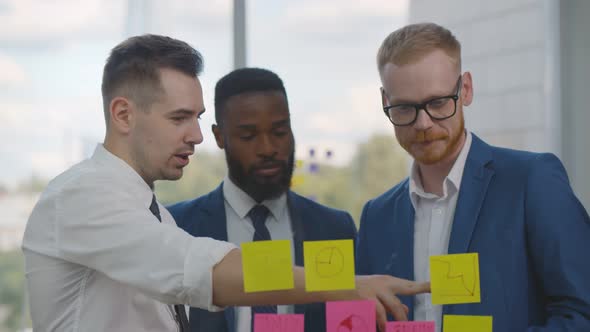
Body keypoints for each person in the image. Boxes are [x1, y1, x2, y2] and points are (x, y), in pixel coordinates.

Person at [22, 34, 428, 332]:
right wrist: (343, 284)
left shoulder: (153, 213)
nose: (197, 136)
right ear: (124, 115)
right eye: (178, 118)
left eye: (197, 118)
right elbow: (203, 271)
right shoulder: (81, 197)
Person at [355, 22, 590, 332]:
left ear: (465, 89)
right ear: (386, 102)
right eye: (404, 108)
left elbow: (581, 312)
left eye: (438, 103)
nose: (423, 123)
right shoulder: (377, 216)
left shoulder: (532, 180)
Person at [168, 67, 357, 332]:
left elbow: (349, 322)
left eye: (280, 131)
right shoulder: (177, 227)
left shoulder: (334, 229)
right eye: (249, 136)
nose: (268, 148)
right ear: (219, 136)